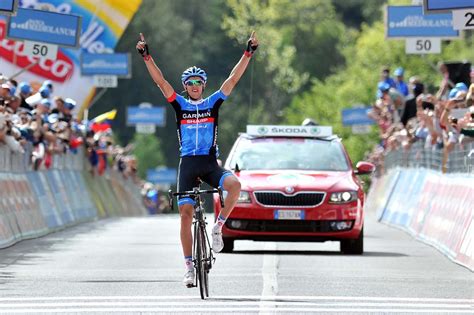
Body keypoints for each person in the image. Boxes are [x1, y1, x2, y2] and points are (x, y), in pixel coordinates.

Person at [136, 31, 259, 287]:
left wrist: (247, 53)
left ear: (203, 86)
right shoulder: (179, 104)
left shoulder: (213, 103)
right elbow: (161, 82)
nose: (194, 86)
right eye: (190, 83)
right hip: (188, 165)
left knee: (235, 186)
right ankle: (189, 267)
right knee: (185, 214)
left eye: (198, 83)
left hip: (209, 163)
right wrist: (147, 57)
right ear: (186, 86)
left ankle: (218, 227)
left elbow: (233, 79)